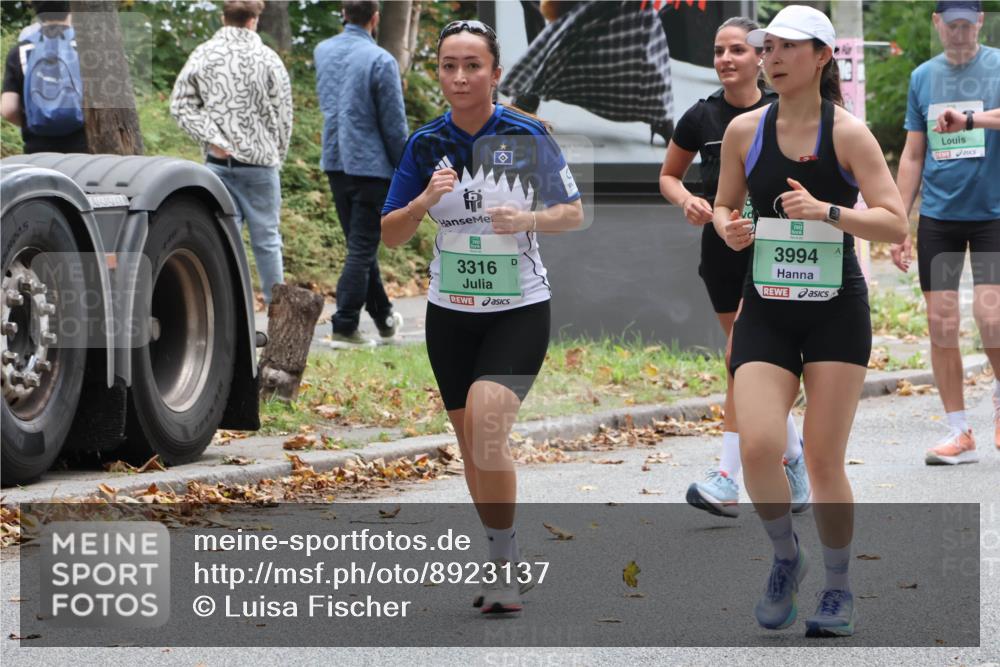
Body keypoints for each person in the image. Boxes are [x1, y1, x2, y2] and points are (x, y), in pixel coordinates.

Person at [713, 5, 907, 637]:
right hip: (766, 305)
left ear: (822, 56)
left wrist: (828, 211)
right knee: (759, 446)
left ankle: (839, 586)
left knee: (823, 461)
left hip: (834, 312)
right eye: (766, 47)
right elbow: (723, 204)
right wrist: (731, 228)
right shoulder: (745, 130)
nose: (770, 58)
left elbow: (893, 220)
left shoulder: (848, 133)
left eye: (786, 48)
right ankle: (785, 557)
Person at [380, 20, 584, 614]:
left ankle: (506, 567)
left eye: (473, 65)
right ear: (438, 72)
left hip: (518, 308)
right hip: (450, 313)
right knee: (474, 447)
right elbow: (391, 236)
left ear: (495, 73)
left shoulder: (525, 135)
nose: (460, 76)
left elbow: (572, 213)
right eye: (449, 65)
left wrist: (529, 221)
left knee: (490, 427)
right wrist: (422, 200)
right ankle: (502, 558)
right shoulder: (425, 144)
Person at [659, 16, 809, 519]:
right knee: (746, 364)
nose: (725, 59)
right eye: (719, 51)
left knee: (739, 360)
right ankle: (792, 456)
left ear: (761, 57)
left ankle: (726, 475)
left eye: (737, 51)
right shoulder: (700, 118)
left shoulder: (783, 111)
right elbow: (669, 176)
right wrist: (687, 201)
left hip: (775, 255)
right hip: (722, 253)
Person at [890, 0, 1000, 464]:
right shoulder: (922, 77)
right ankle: (960, 433)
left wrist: (971, 118)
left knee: (990, 315)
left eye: (965, 23)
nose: (958, 32)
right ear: (937, 24)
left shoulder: (997, 65)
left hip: (993, 211)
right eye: (949, 24)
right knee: (942, 324)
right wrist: (899, 222)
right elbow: (913, 155)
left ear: (978, 21)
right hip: (939, 215)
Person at [169, 0, 292, 306]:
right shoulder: (268, 58)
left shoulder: (204, 55)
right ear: (254, 20)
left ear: (223, 17)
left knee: (225, 239)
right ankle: (277, 315)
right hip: (261, 163)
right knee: (267, 240)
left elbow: (180, 105)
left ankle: (230, 308)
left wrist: (212, 136)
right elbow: (283, 114)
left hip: (218, 162)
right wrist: (277, 152)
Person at [315, 0, 409, 349]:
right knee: (361, 249)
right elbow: (393, 124)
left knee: (360, 247)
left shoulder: (322, 51)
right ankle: (344, 325)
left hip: (335, 161)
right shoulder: (381, 60)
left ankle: (384, 320)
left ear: (344, 14)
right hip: (372, 168)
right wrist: (406, 167)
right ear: (375, 18)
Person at [1, 0, 88, 154]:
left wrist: (32, 121)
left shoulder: (20, 52)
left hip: (38, 150)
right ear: (71, 7)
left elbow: (8, 109)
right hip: (81, 149)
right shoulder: (86, 48)